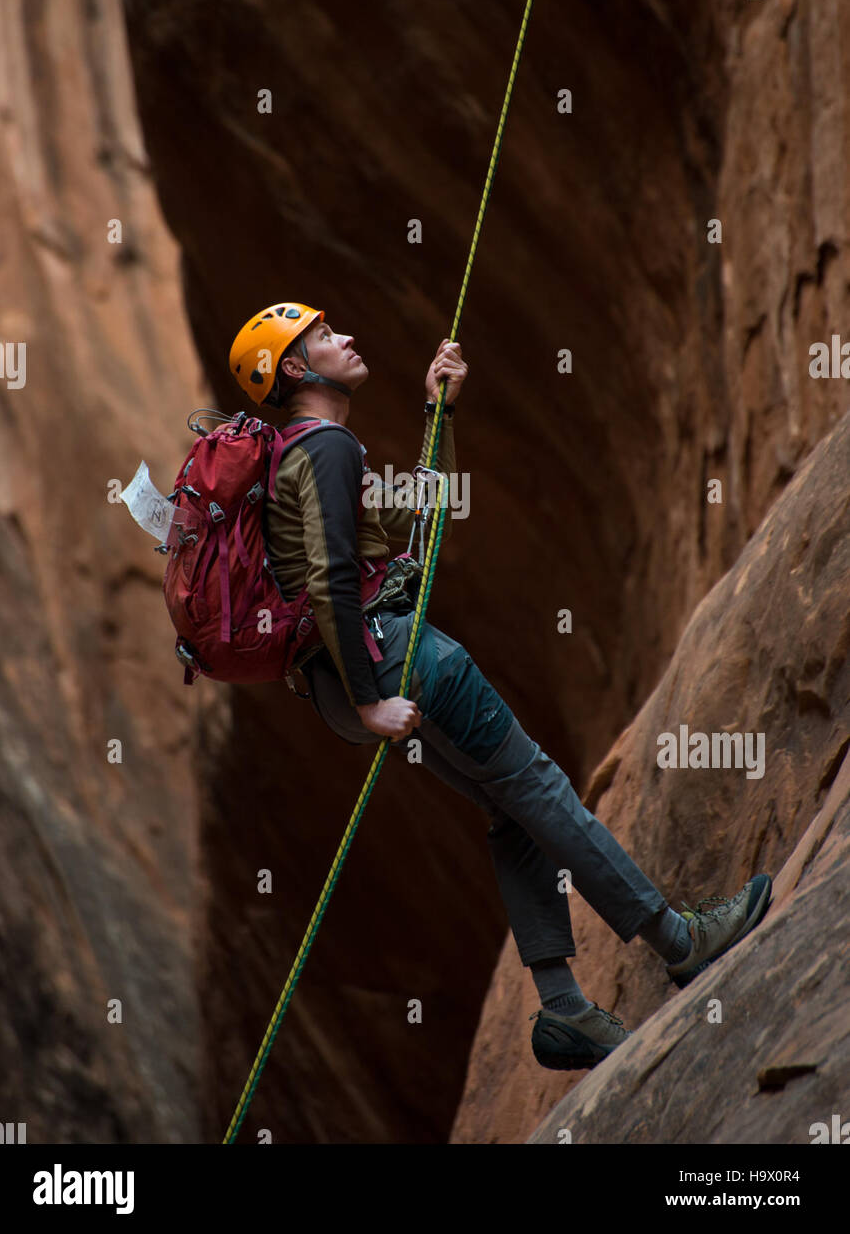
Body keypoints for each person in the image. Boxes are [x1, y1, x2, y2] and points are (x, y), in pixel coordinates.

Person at [228, 302, 772, 1071]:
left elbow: (426, 514)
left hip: (352, 677)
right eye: (322, 337)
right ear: (294, 369)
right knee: (538, 786)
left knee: (509, 810)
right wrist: (368, 699)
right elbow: (331, 581)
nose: (345, 336)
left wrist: (435, 412)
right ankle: (679, 942)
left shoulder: (307, 452)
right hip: (399, 663)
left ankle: (563, 1012)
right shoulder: (324, 452)